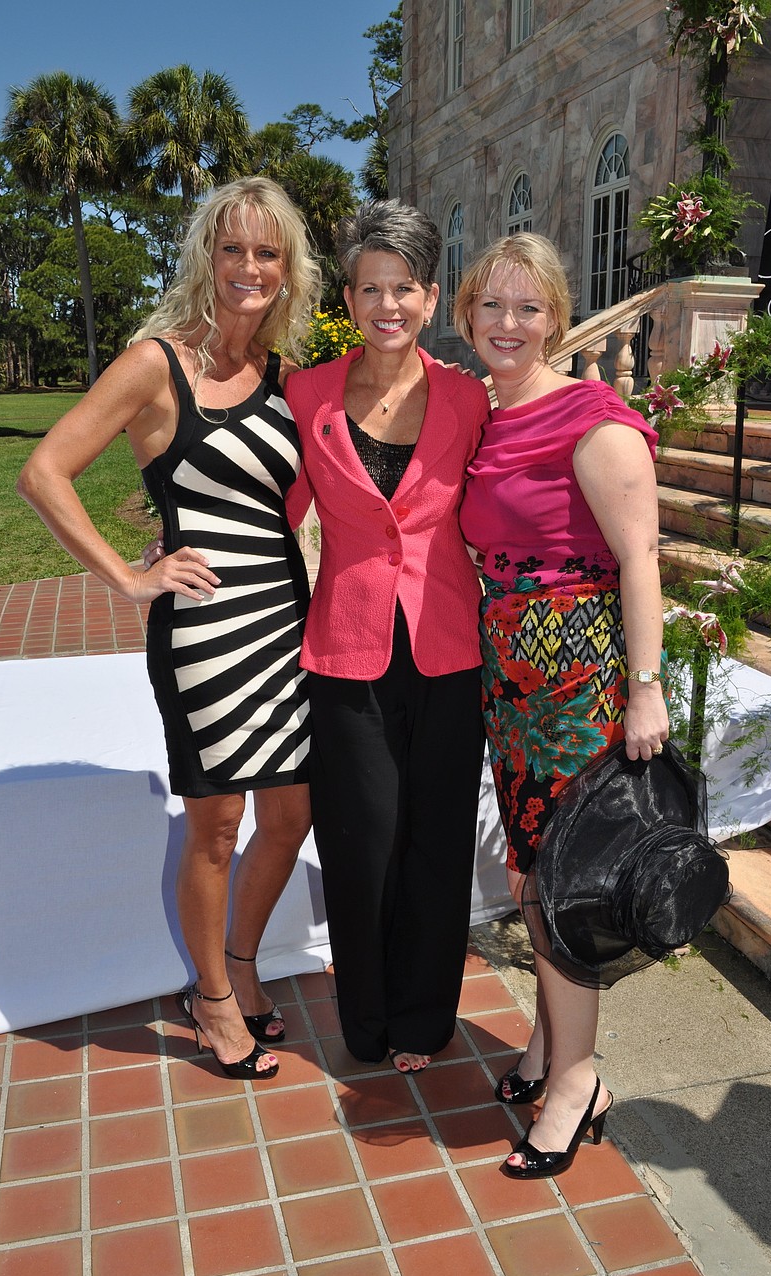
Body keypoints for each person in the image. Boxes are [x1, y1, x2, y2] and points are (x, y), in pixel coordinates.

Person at [17, 177, 322, 1080]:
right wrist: (131, 577)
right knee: (217, 824)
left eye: (268, 253)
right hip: (201, 631)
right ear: (207, 257)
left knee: (292, 816)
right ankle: (216, 1000)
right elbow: (44, 471)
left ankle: (236, 959)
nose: (250, 268)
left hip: (282, 621)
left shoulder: (283, 377)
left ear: (287, 269)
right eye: (234, 249)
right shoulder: (156, 362)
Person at [455, 233, 669, 1176]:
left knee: (566, 883)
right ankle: (551, 1043)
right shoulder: (485, 417)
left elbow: (641, 558)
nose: (509, 324)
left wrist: (647, 690)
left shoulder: (593, 415)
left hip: (579, 682)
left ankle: (575, 1081)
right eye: (492, 307)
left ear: (557, 316)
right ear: (467, 317)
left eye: (528, 308)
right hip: (513, 682)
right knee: (534, 877)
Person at [284, 200, 491, 1073]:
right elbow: (276, 507)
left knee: (439, 840)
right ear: (349, 295)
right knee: (362, 841)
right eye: (371, 288)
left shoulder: (469, 397)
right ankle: (365, 1023)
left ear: (432, 297)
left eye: (404, 288)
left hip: (449, 645)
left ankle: (421, 1020)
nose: (388, 306)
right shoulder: (306, 393)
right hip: (347, 647)